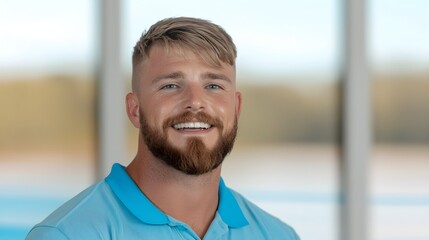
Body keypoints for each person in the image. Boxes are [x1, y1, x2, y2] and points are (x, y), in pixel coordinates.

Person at [26, 17, 300, 240]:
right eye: (171, 85)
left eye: (213, 86)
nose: (195, 102)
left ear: (236, 108)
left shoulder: (278, 235)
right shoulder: (67, 235)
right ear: (135, 109)